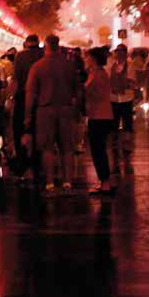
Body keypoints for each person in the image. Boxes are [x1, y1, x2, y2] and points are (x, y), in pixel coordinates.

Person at [25, 35, 80, 197]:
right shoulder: (69, 65)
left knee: (47, 148)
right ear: (58, 46)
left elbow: (30, 94)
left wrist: (27, 116)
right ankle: (67, 183)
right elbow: (78, 90)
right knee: (67, 148)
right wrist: (76, 110)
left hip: (45, 111)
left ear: (46, 46)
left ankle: (49, 185)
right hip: (66, 109)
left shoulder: (37, 66)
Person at [10, 34, 44, 180]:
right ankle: (37, 165)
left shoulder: (20, 56)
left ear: (26, 43)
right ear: (38, 42)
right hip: (41, 99)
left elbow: (15, 79)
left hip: (22, 98)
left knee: (20, 131)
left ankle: (23, 166)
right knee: (38, 132)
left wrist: (11, 98)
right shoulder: (43, 55)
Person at [84, 47, 114, 194]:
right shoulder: (97, 73)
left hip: (99, 116)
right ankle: (104, 181)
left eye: (87, 57)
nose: (85, 60)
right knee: (98, 150)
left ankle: (105, 183)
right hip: (100, 115)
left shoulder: (98, 74)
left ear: (93, 59)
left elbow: (95, 93)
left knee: (98, 151)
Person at [107, 44, 137, 174]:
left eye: (120, 51)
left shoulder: (130, 66)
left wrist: (123, 82)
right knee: (113, 122)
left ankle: (126, 144)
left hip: (126, 98)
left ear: (125, 53)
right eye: (117, 51)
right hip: (114, 98)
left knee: (127, 123)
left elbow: (132, 82)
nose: (118, 54)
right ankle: (114, 143)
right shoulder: (111, 65)